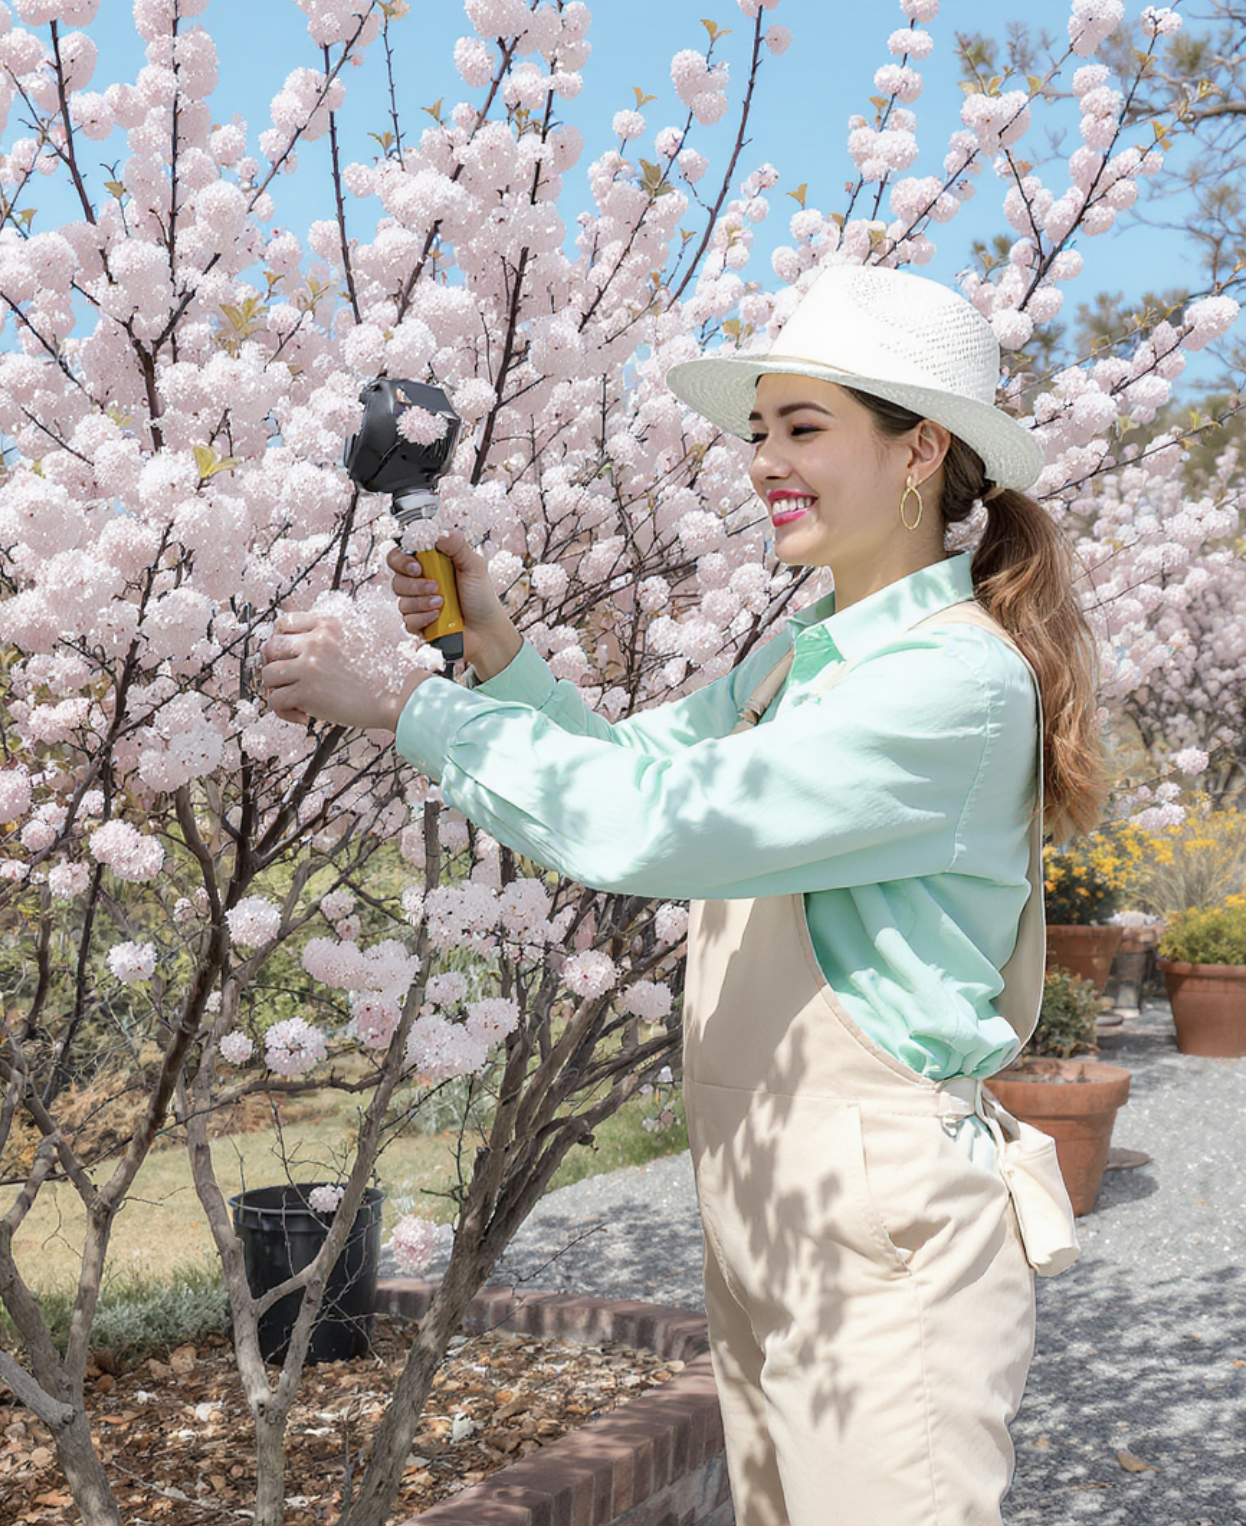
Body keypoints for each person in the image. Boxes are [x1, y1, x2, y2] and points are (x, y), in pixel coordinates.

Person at [261, 264, 1104, 1526]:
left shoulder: (950, 684)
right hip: (771, 1198)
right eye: (760, 429)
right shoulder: (804, 656)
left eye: (804, 427)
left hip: (879, 1229)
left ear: (920, 447)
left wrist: (403, 705)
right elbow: (643, 763)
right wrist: (494, 652)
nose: (765, 458)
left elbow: (655, 827)